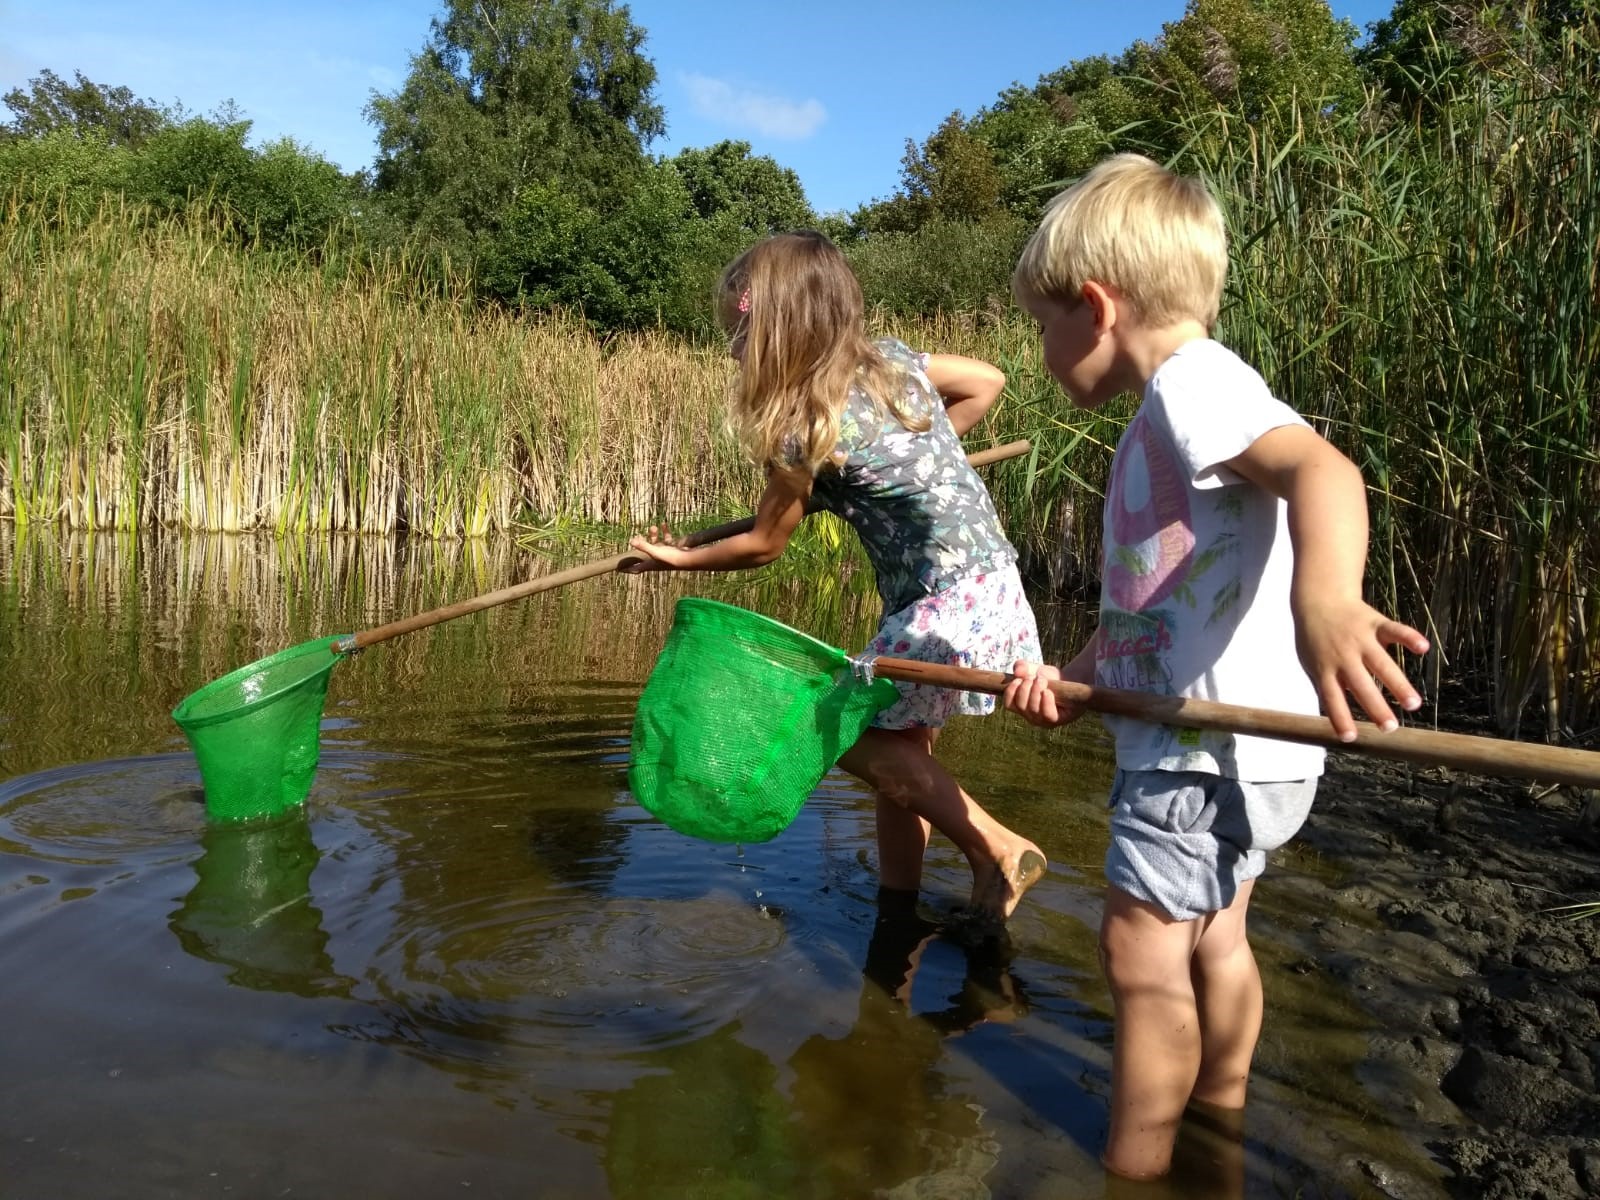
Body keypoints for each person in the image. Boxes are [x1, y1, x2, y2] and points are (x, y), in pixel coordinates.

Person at [1000, 154, 1430, 1180]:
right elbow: (1151, 596)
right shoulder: (1174, 414)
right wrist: (1074, 673)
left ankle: (1134, 1169)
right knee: (1216, 941)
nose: (1039, 346)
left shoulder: (1191, 387)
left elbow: (1322, 469)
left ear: (1096, 307)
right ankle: (1218, 1129)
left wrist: (1323, 601)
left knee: (1140, 964)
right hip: (1246, 757)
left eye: (1041, 322)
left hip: (1198, 751)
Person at [627, 230, 1047, 922]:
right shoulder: (896, 367)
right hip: (993, 585)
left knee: (838, 728)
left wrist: (680, 560)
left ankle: (997, 847)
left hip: (944, 603)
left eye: (739, 333)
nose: (731, 350)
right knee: (904, 757)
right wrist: (914, 460)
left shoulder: (801, 426)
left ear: (775, 331)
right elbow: (987, 381)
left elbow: (763, 546)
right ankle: (898, 906)